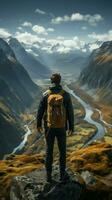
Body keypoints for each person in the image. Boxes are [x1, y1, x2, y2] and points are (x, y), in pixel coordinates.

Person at [37, 73, 74, 183]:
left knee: (49, 151)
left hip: (49, 127)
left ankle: (48, 176)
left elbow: (40, 111)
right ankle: (62, 175)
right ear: (60, 81)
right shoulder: (66, 95)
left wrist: (38, 124)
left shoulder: (45, 95)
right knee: (62, 151)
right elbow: (70, 112)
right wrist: (71, 126)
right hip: (62, 127)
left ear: (51, 81)